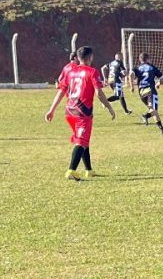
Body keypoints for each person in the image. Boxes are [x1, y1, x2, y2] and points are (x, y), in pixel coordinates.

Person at [45, 46, 115, 181]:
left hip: (70, 111)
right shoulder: (92, 72)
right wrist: (109, 107)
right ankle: (71, 171)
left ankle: (89, 170)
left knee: (83, 140)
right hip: (83, 113)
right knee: (81, 142)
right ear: (90, 57)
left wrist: (52, 110)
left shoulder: (71, 71)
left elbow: (61, 91)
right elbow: (99, 93)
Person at [133, 52, 163, 134]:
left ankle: (162, 129)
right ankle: (145, 116)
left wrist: (131, 84)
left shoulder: (137, 68)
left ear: (140, 59)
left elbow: (131, 74)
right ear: (148, 59)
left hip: (141, 92)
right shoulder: (152, 67)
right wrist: (159, 83)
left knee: (153, 110)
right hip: (150, 90)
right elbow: (162, 77)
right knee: (154, 109)